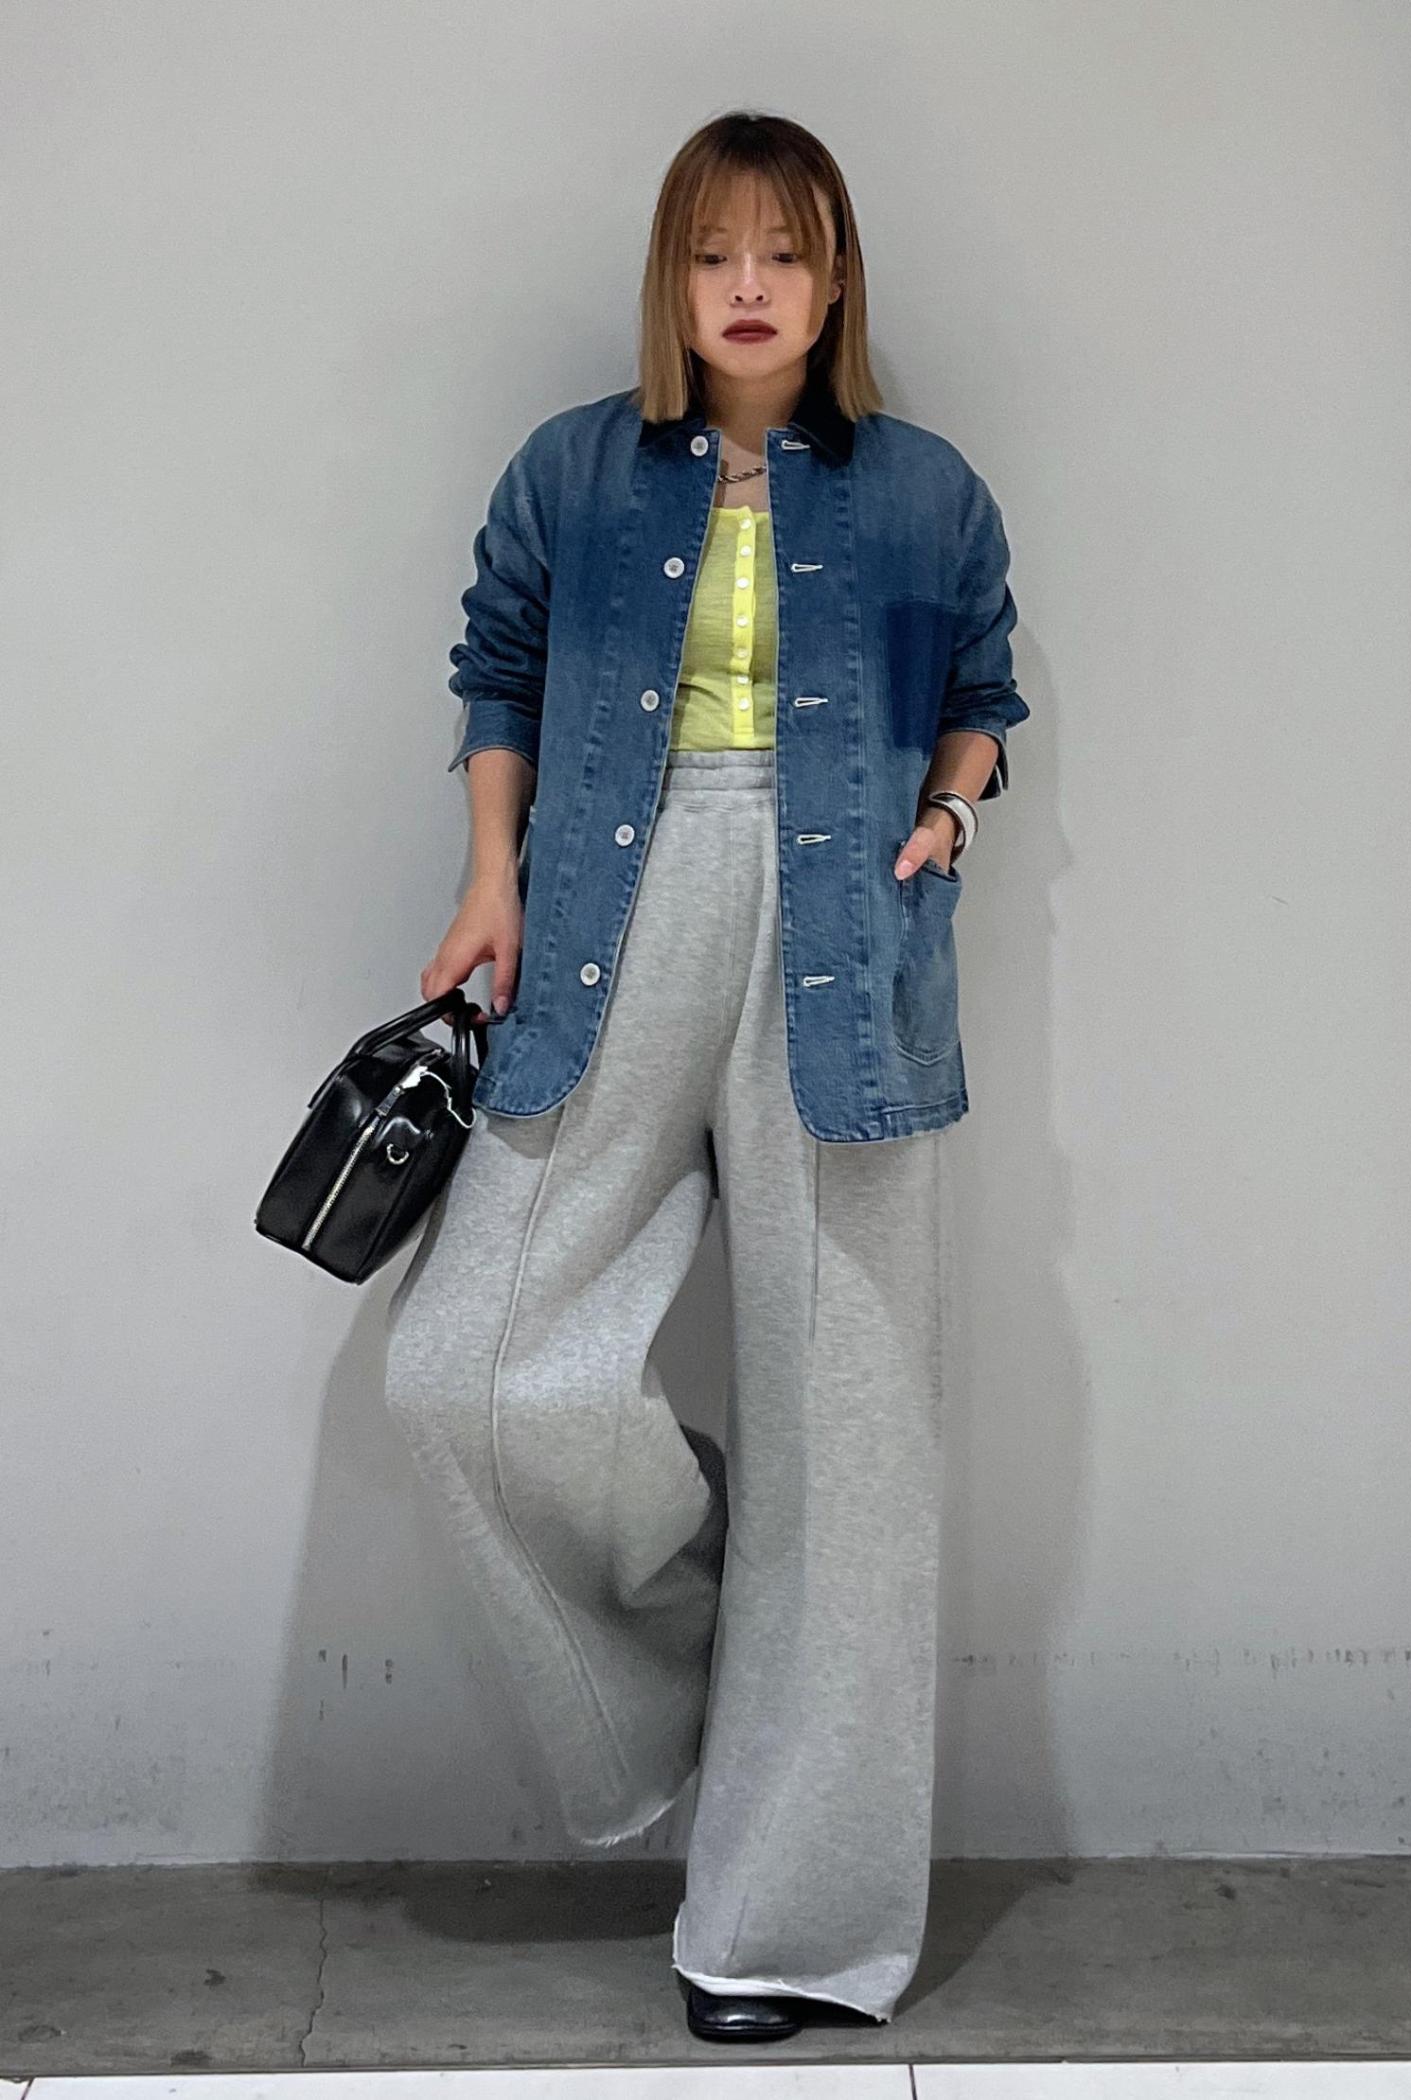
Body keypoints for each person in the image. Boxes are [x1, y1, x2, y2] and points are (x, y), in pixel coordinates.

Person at [382, 108, 1029, 2046]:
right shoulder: (573, 470)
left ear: (836, 282)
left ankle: (784, 1932)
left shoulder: (925, 488)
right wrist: (489, 882)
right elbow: (498, 667)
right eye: (714, 252)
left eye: (787, 252)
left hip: (852, 933)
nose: (750, 287)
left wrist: (950, 814)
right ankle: (709, 1613)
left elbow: (988, 692)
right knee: (467, 1370)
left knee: (858, 1445)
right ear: (672, 278)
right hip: (613, 900)